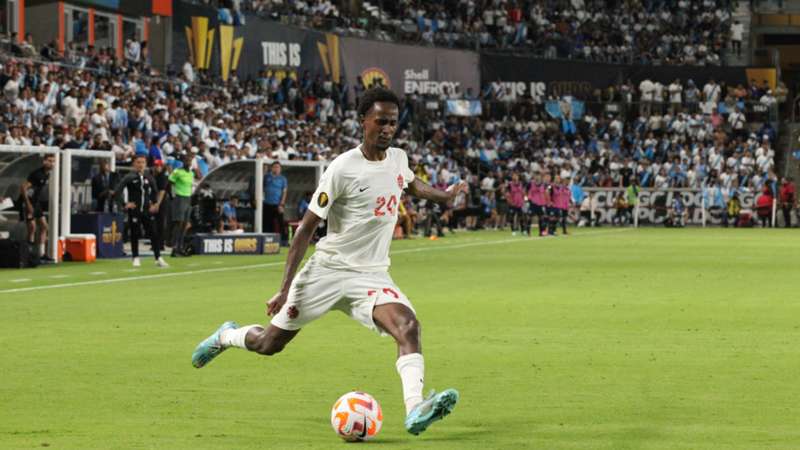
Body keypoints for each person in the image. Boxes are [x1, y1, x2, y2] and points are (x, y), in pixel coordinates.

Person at [192, 87, 465, 436]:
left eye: (393, 123)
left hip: (370, 275)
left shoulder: (398, 158)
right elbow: (305, 230)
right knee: (269, 344)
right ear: (363, 121)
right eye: (380, 121)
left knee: (408, 327)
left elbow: (411, 184)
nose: (387, 129)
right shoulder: (342, 168)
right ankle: (226, 336)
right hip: (327, 271)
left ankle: (415, 410)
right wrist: (284, 288)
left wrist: (444, 196)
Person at [114, 155, 168, 268]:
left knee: (153, 233)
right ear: (134, 164)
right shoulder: (129, 177)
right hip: (135, 210)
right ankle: (135, 257)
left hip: (147, 211)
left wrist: (155, 204)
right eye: (138, 162)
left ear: (146, 164)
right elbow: (117, 191)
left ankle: (158, 257)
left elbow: (155, 191)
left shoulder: (149, 177)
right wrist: (125, 204)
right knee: (135, 234)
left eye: (143, 162)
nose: (140, 165)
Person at [19, 153, 55, 260]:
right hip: (28, 202)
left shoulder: (47, 174)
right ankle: (28, 254)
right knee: (32, 227)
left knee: (44, 226)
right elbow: (23, 187)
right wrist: (28, 204)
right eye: (49, 160)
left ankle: (42, 254)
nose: (52, 163)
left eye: (53, 161)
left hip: (36, 202)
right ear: (44, 161)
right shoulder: (37, 174)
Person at [169, 152, 195, 257]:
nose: (188, 162)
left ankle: (180, 247)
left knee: (185, 224)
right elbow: (170, 183)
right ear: (183, 161)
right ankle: (174, 248)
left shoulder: (191, 173)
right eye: (186, 160)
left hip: (188, 198)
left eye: (190, 160)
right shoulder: (177, 172)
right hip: (179, 198)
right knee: (178, 223)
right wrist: (173, 195)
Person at [263, 161, 288, 241]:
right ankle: (267, 240)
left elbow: (284, 192)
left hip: (277, 204)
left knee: (281, 223)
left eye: (278, 167)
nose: (276, 169)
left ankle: (284, 241)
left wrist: (282, 204)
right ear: (272, 168)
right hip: (267, 204)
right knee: (267, 223)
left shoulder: (283, 179)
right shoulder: (266, 177)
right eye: (275, 167)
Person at [527, 172, 547, 236]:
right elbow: (525, 191)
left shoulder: (544, 185)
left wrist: (545, 202)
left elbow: (545, 193)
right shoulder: (530, 184)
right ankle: (528, 232)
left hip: (541, 203)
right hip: (533, 203)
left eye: (538, 176)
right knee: (529, 217)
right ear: (534, 177)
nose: (537, 177)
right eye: (536, 176)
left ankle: (541, 232)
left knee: (541, 218)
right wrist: (528, 199)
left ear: (540, 177)